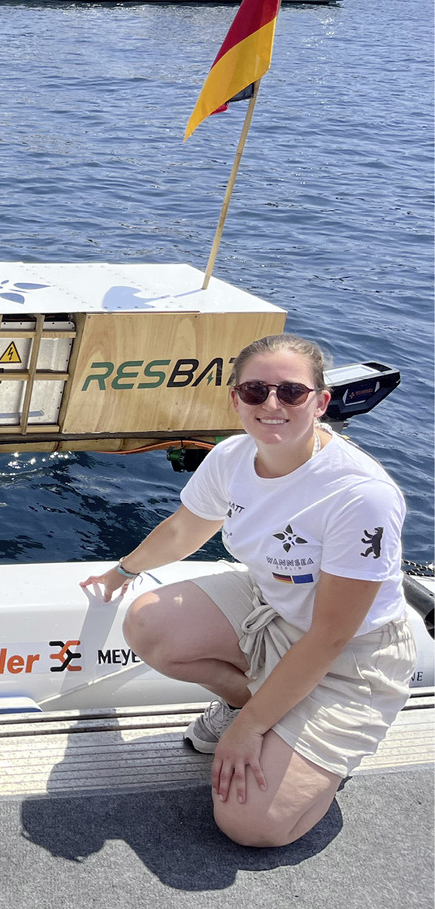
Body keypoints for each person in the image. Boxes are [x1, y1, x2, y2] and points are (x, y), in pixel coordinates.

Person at [82, 334, 414, 848]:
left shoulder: (360, 495)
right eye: (256, 391)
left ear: (321, 402)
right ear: (236, 399)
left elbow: (328, 638)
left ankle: (300, 739)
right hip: (272, 605)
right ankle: (251, 701)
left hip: (349, 656)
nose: (272, 404)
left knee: (252, 825)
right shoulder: (233, 456)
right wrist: (123, 572)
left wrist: (249, 732)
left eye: (292, 392)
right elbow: (183, 531)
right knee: (148, 623)